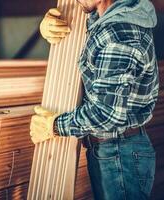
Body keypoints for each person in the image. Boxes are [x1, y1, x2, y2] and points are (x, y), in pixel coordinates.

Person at [29, 0, 159, 199]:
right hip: (115, 148)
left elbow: (106, 113)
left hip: (119, 152)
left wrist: (54, 126)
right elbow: (93, 36)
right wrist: (55, 25)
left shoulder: (119, 34)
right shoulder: (111, 19)